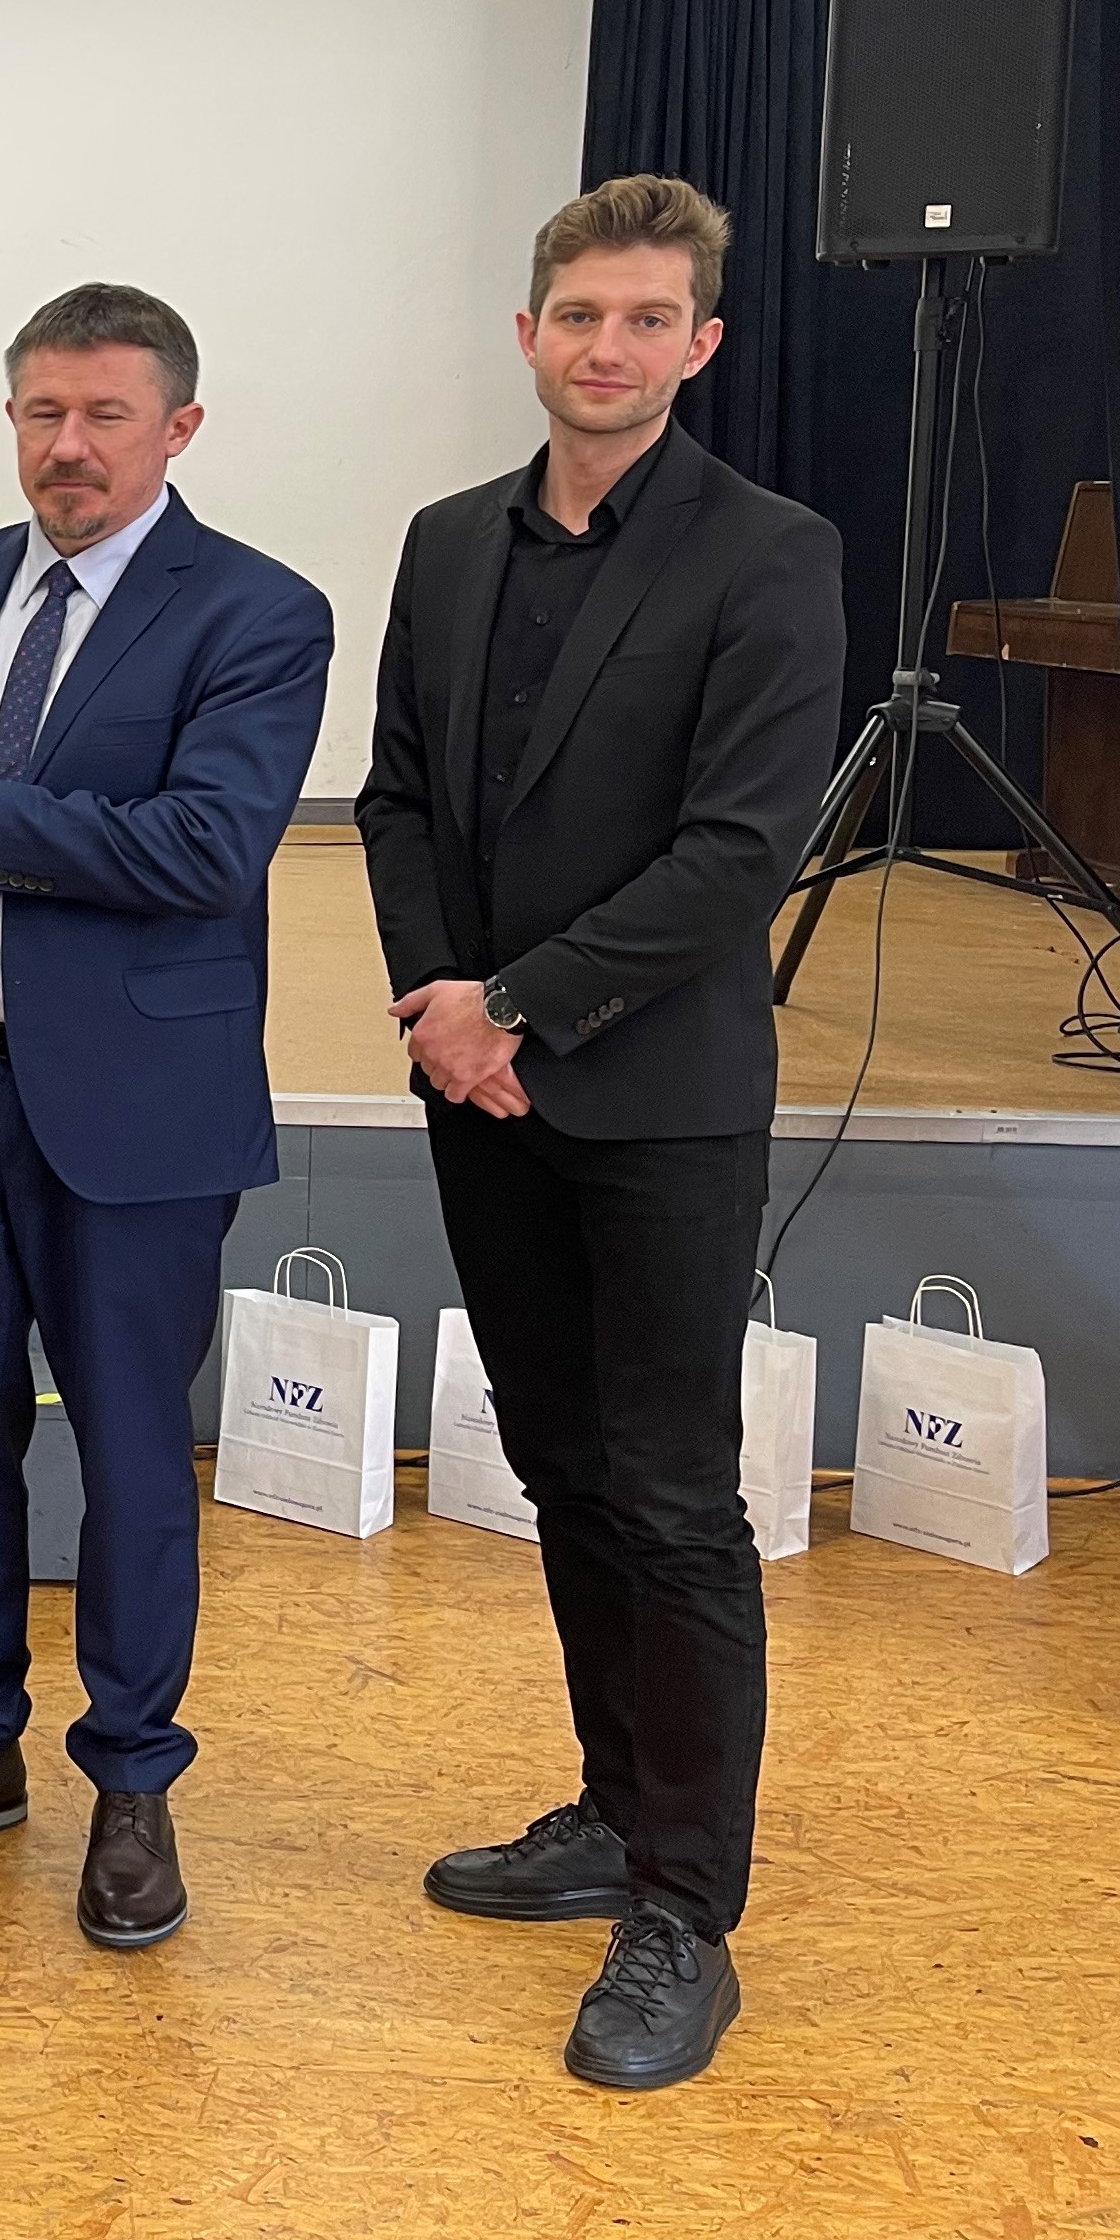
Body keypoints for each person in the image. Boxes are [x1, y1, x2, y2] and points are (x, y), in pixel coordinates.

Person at [354, 175, 843, 2091]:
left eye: (647, 317)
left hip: (655, 1102)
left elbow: (735, 852)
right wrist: (442, 1000)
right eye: (578, 312)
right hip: (482, 1087)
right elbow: (397, 797)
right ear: (527, 330)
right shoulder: (442, 540)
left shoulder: (771, 553)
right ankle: (614, 1808)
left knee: (669, 1496)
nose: (607, 345)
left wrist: (519, 1002)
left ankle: (685, 1910)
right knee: (559, 1463)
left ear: (699, 341)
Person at [0, 283, 329, 1955]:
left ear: (178, 426)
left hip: (137, 1112)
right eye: (42, 411)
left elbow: (206, 849)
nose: (68, 446)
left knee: (129, 1456)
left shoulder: (258, 610)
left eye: (105, 414)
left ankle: (134, 1779)